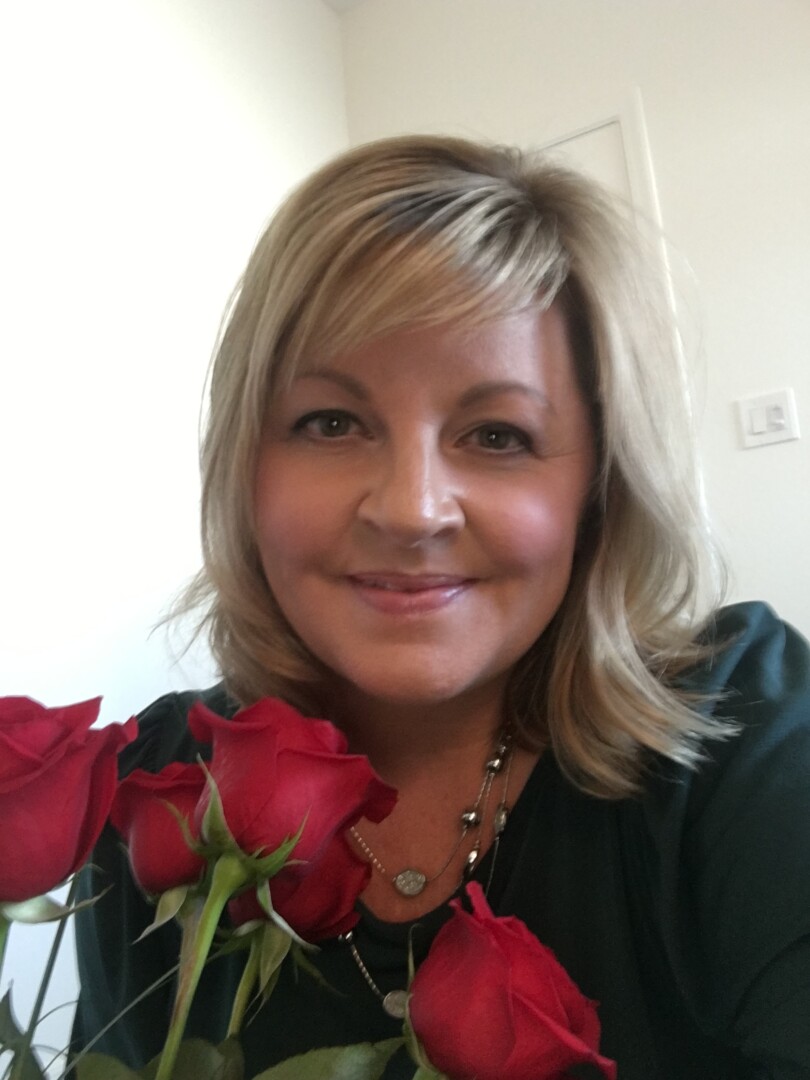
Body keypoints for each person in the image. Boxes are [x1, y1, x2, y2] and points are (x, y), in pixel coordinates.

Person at [72, 135, 810, 1079]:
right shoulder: (158, 791)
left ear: (599, 487)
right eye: (330, 423)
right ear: (244, 466)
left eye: (497, 435)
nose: (412, 510)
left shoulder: (740, 736)